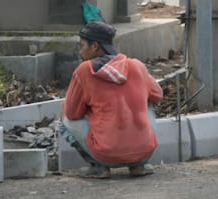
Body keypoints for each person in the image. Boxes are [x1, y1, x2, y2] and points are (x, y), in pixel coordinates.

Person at [58, 21, 163, 178]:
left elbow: (72, 113)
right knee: (148, 103)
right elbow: (158, 95)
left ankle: (98, 167)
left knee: (65, 120)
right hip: (144, 151)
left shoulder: (85, 71)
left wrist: (90, 108)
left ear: (94, 46)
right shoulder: (136, 65)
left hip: (106, 154)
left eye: (82, 46)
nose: (80, 52)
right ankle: (139, 165)